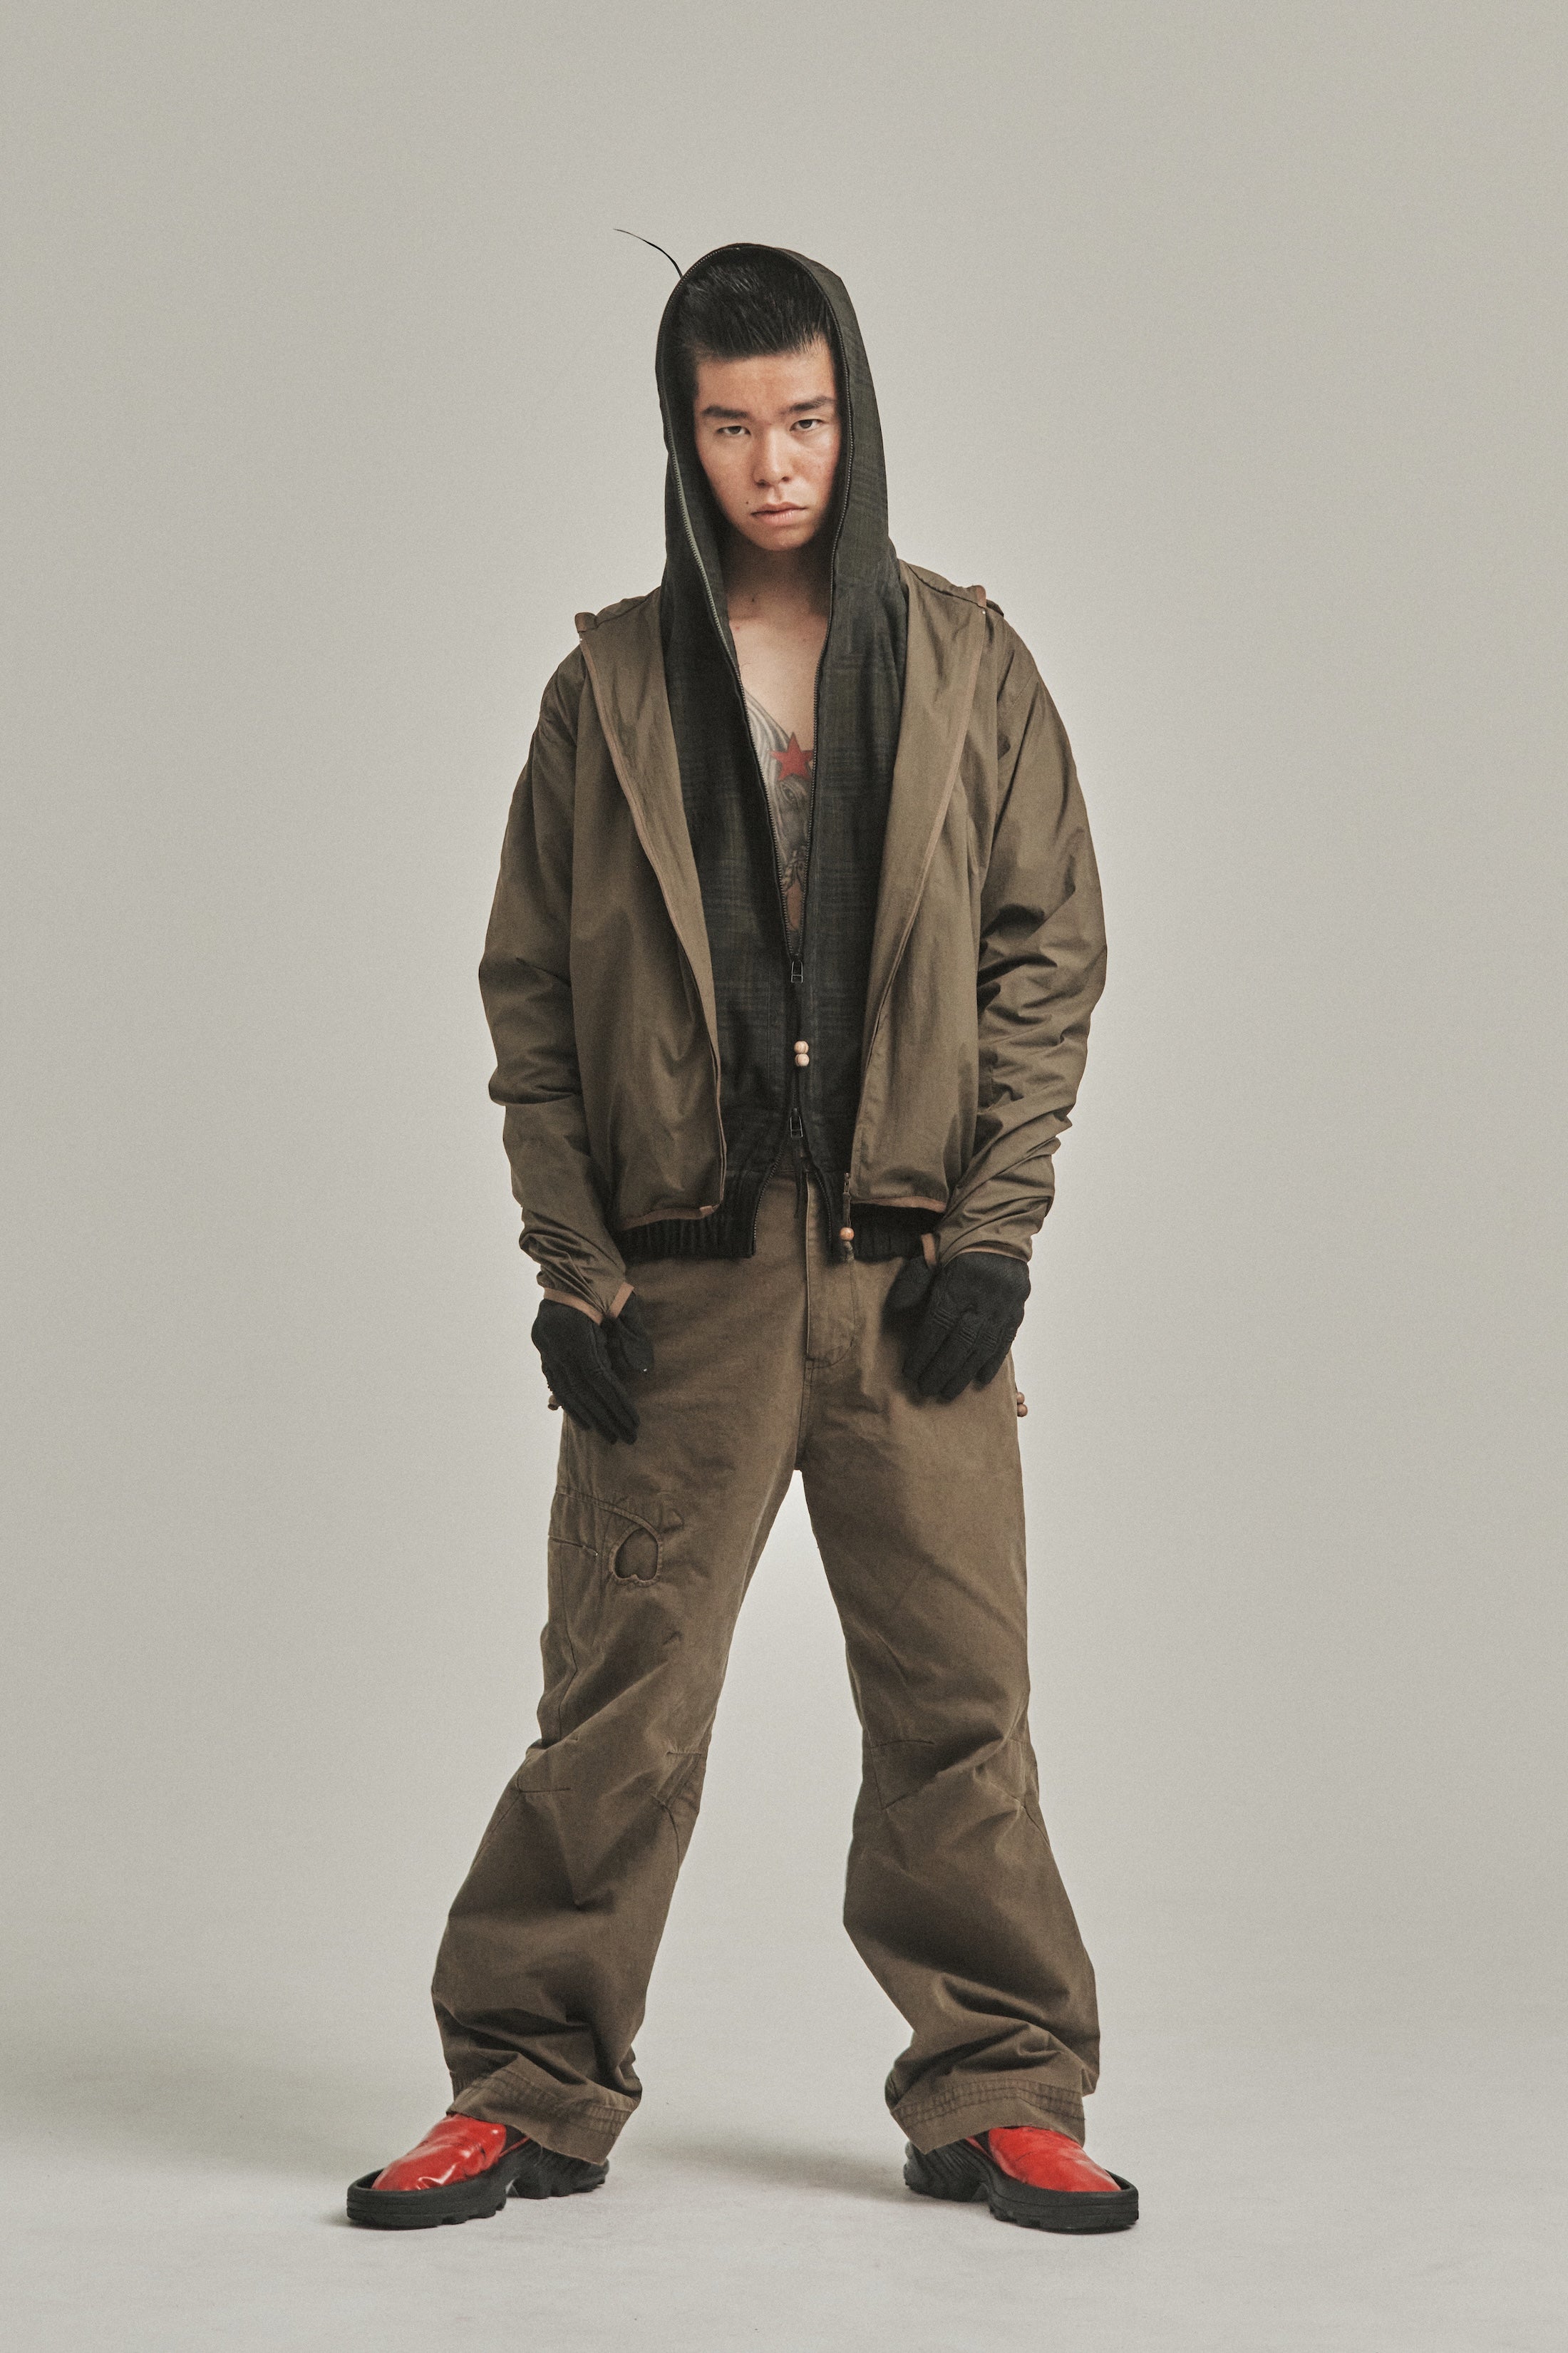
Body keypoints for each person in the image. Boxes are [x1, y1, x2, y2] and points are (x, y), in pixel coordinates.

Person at [347, 243, 1135, 2235]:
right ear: (680, 434)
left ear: (852, 417)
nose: (773, 463)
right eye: (729, 425)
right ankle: (521, 2086)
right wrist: (571, 1267)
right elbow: (533, 994)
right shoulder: (607, 685)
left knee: (961, 1706)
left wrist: (997, 1233)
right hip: (677, 1286)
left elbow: (1048, 952)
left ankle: (1002, 2089)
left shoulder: (968, 659)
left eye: (804, 419)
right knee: (617, 1710)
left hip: (909, 1285)